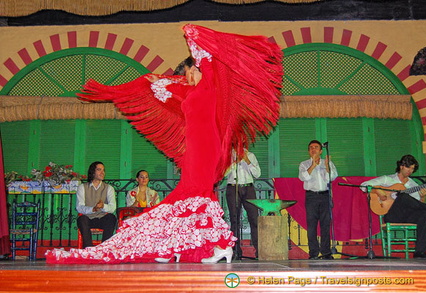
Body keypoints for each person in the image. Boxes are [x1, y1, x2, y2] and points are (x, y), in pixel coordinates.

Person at [45, 24, 283, 264]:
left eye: (189, 72)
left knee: (193, 193)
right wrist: (154, 83)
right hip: (194, 150)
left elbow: (208, 57)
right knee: (196, 196)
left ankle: (191, 245)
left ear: (196, 68)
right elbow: (170, 96)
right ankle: (203, 246)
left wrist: (192, 36)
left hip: (206, 149)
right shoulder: (189, 93)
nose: (187, 78)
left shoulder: (210, 85)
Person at [361, 154, 426, 259]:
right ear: (401, 166)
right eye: (408, 167)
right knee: (403, 196)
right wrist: (377, 191)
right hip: (392, 215)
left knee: (425, 214)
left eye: (412, 169)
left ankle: (419, 252)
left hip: (407, 216)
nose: (410, 171)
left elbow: (416, 204)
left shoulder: (413, 185)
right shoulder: (387, 179)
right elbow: (363, 185)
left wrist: (423, 198)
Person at [299, 140, 338, 260]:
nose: (313, 149)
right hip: (311, 196)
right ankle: (313, 253)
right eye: (311, 148)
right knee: (312, 226)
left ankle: (326, 252)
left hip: (325, 195)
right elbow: (303, 177)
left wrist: (326, 166)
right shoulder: (304, 164)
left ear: (321, 151)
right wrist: (313, 165)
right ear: (308, 151)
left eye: (316, 147)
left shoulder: (327, 163)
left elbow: (332, 177)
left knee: (325, 225)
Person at [225, 149, 260, 259]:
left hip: (248, 188)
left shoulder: (250, 155)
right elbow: (222, 174)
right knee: (234, 220)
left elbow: (257, 174)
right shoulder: (228, 155)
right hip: (233, 187)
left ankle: (259, 250)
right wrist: (234, 163)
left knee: (254, 219)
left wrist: (247, 160)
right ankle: (236, 252)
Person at [76, 161, 117, 248]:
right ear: (92, 172)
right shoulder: (82, 187)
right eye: (99, 170)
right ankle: (88, 249)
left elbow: (112, 208)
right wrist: (92, 209)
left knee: (111, 218)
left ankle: (104, 248)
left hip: (101, 218)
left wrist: (103, 206)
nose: (102, 173)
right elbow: (79, 207)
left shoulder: (109, 188)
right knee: (81, 219)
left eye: (103, 170)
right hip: (88, 218)